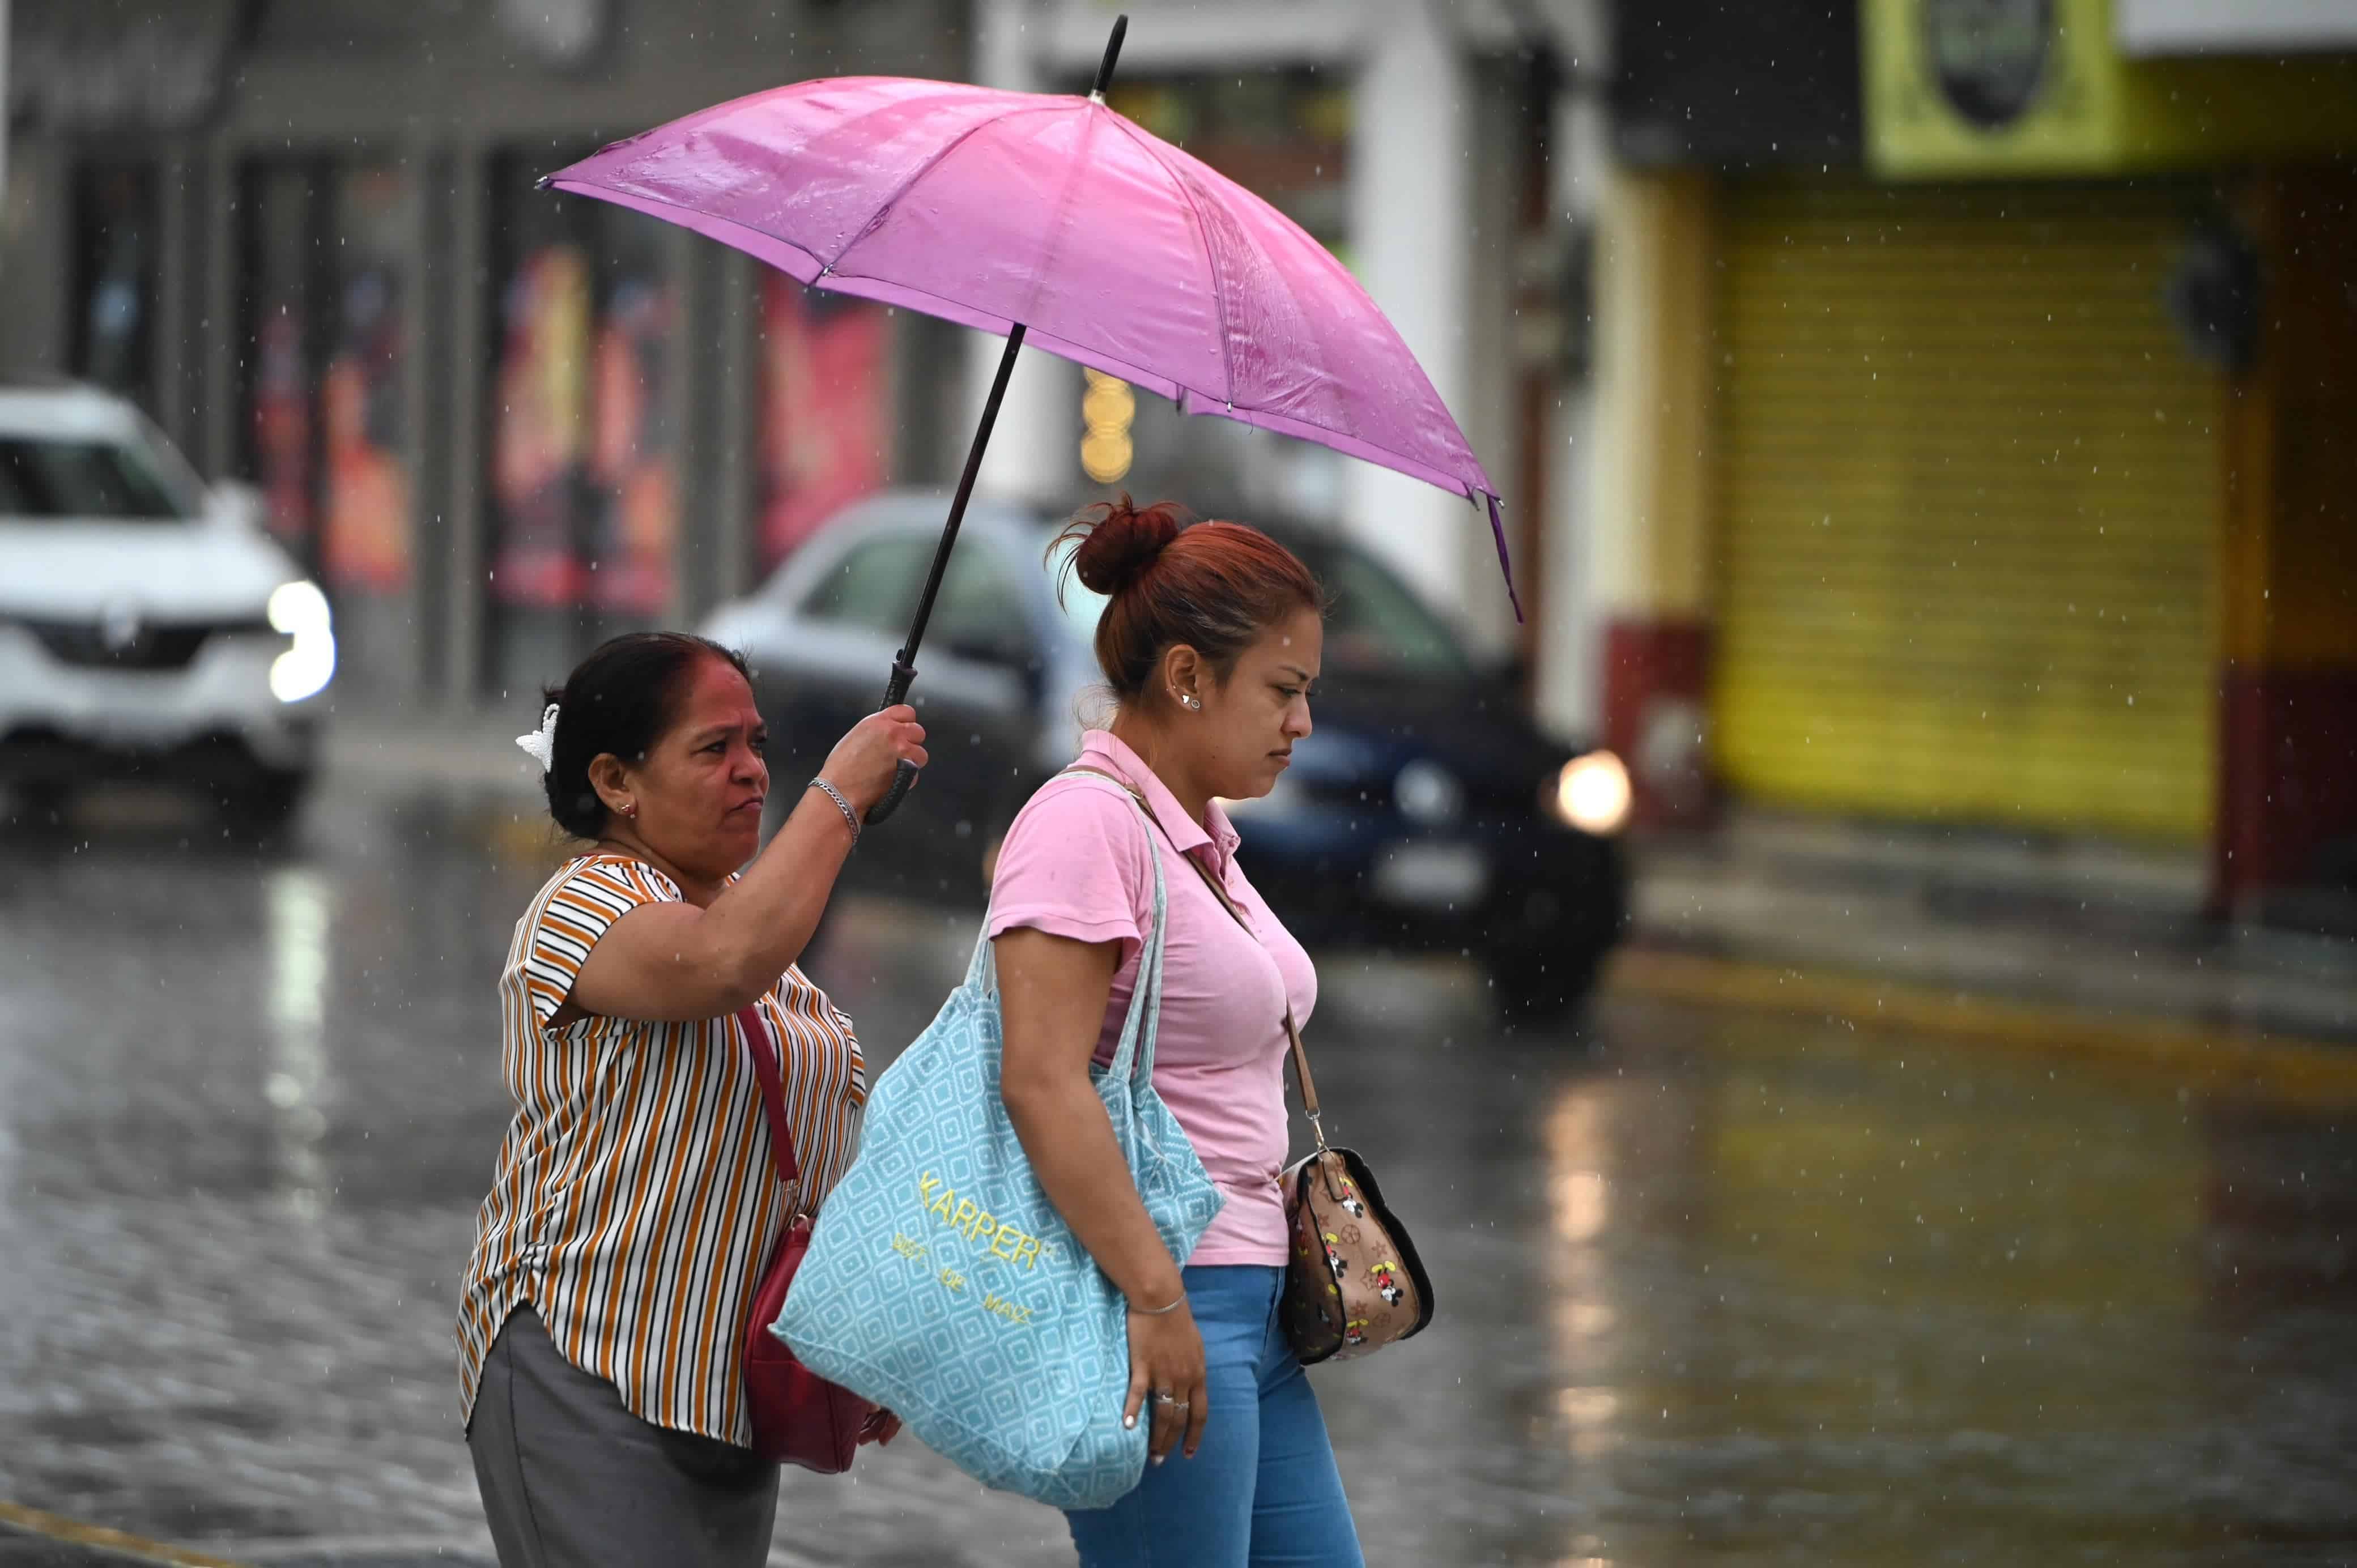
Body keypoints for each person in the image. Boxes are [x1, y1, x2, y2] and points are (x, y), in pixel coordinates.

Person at [454, 631, 925, 1568]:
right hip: (588, 1369)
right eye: (714, 750)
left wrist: (858, 1336)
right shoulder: (585, 903)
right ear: (616, 781)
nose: (751, 772)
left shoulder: (748, 909)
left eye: (756, 745)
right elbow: (722, 966)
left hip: (725, 1393)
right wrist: (838, 793)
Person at [989, 500, 1365, 1566]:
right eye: (1284, 692)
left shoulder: (1200, 835)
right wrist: (1153, 1298)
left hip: (1253, 1306)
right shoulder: (1083, 825)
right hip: (1158, 1303)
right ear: (1190, 675)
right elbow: (1041, 1082)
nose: (1301, 725)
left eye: (1309, 694)